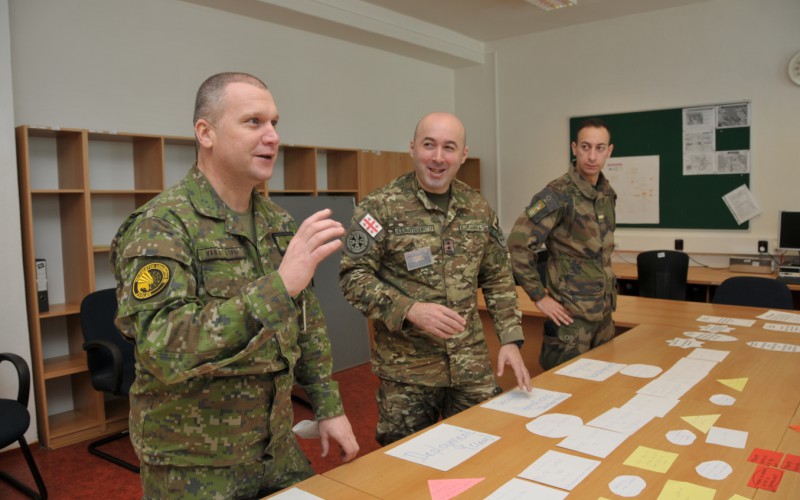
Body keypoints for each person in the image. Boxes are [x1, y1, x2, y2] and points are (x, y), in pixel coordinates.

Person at [110, 72, 359, 499]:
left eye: (275, 123)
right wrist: (277, 288)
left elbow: (307, 325)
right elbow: (161, 345)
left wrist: (328, 406)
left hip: (275, 446)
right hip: (195, 463)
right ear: (205, 133)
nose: (273, 137)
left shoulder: (279, 224)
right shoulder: (161, 226)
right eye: (253, 122)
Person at [339, 112, 531, 446]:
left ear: (463, 155)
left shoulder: (477, 208)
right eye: (429, 145)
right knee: (405, 466)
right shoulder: (380, 208)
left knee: (484, 451)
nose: (438, 157)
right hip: (408, 373)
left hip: (470, 365)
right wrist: (409, 308)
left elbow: (499, 277)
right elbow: (352, 278)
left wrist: (511, 339)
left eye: (449, 148)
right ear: (413, 148)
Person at [507, 117, 617, 371]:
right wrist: (538, 297)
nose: (592, 156)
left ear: (609, 151)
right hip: (571, 323)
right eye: (585, 147)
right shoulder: (558, 194)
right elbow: (517, 244)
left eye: (600, 148)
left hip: (603, 318)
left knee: (603, 393)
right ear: (574, 148)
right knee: (566, 394)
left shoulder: (606, 193)